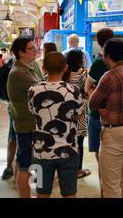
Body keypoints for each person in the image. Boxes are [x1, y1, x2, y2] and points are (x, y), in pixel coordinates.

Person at [89, 38, 123, 198]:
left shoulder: (109, 76)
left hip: (115, 135)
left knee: (111, 185)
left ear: (108, 55)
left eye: (103, 53)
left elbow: (92, 103)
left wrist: (101, 108)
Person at [28, 52, 83, 198]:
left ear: (44, 68)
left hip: (40, 152)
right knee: (69, 193)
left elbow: (33, 111)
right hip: (69, 150)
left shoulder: (33, 90)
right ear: (65, 68)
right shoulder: (74, 90)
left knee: (41, 193)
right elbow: (78, 114)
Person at [7, 37, 43, 198]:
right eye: (30, 48)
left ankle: (27, 190)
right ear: (21, 53)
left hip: (27, 123)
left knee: (27, 161)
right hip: (27, 125)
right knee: (25, 165)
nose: (34, 50)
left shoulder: (26, 68)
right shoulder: (20, 73)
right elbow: (42, 91)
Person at [84, 27, 114, 196]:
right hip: (118, 118)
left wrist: (95, 97)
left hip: (97, 116)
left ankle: (105, 187)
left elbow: (87, 87)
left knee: (101, 155)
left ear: (99, 42)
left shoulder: (98, 63)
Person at [63, 49, 91, 179]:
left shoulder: (64, 73)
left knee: (65, 140)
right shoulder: (82, 73)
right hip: (79, 111)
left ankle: (64, 168)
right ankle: (78, 170)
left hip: (64, 111)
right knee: (79, 142)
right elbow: (86, 91)